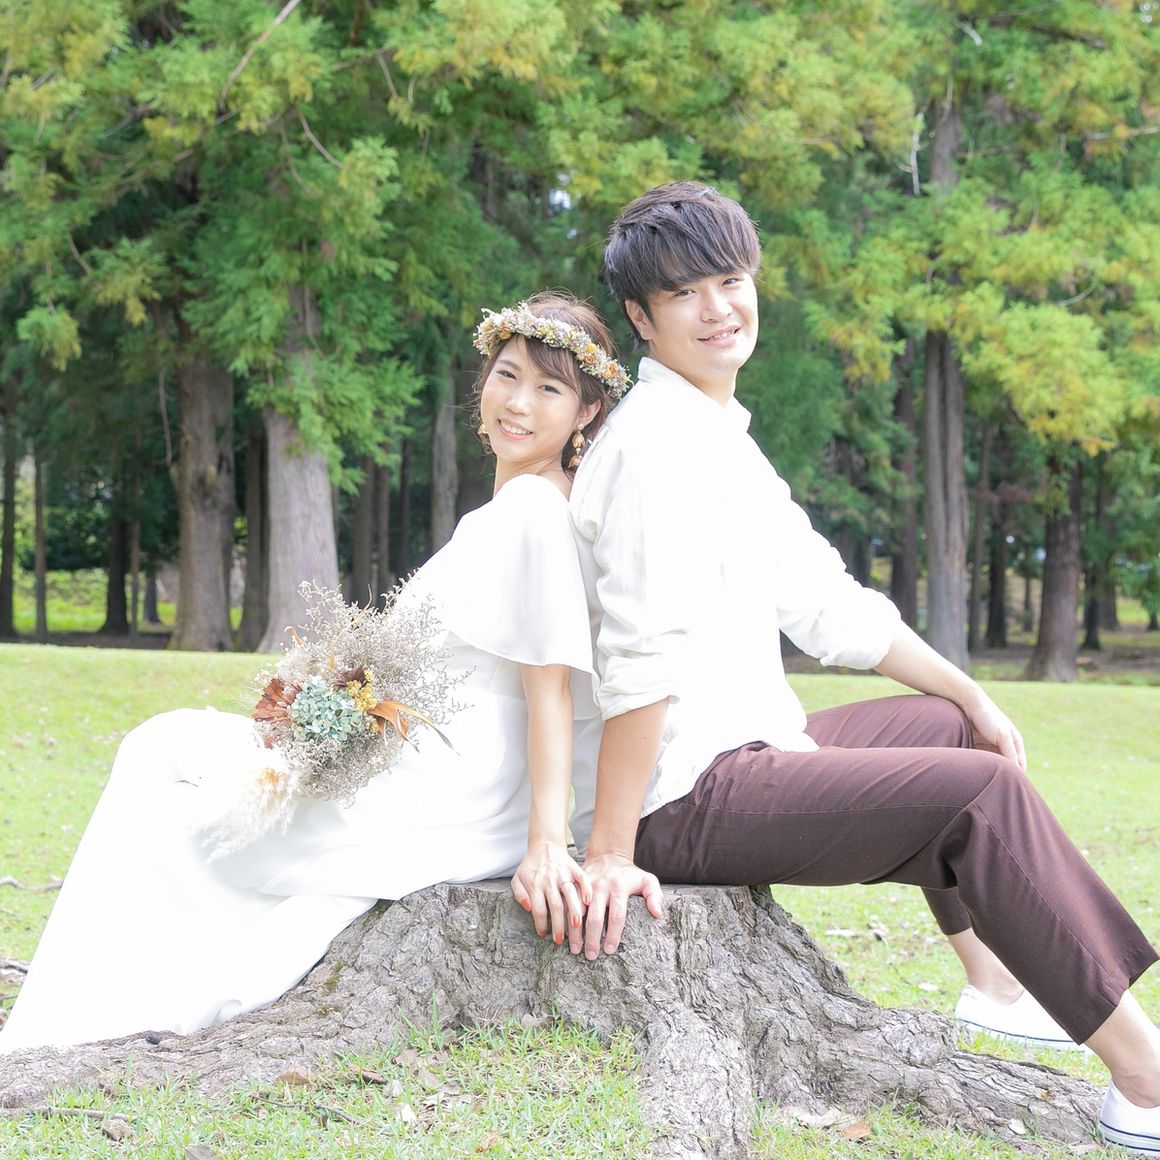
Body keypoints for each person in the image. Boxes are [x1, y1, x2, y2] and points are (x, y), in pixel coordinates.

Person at [567, 181, 1160, 1153]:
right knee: (975, 793)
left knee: (954, 731)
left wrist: (965, 689)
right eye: (684, 293)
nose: (718, 308)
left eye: (730, 280)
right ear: (641, 317)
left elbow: (823, 601)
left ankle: (995, 985)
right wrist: (609, 846)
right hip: (675, 793)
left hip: (743, 744)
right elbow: (637, 662)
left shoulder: (714, 434)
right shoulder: (650, 448)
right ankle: (1144, 1082)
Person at [0, 291, 625, 1053]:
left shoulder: (534, 510)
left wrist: (547, 841)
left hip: (449, 791)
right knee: (170, 749)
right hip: (430, 764)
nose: (518, 403)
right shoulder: (520, 506)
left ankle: (85, 1014)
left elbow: (550, 686)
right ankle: (96, 1003)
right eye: (507, 375)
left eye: (549, 388)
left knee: (162, 752)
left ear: (587, 411)